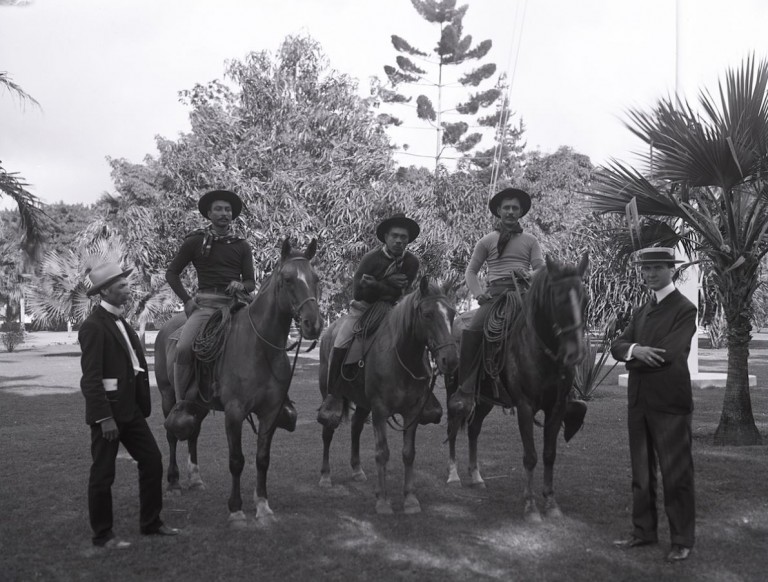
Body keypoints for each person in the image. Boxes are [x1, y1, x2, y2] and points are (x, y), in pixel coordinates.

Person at [448, 187, 587, 439]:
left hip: (524, 294)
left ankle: (571, 391)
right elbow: (471, 271)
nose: (511, 212)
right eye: (506, 208)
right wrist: (478, 293)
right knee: (473, 330)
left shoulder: (531, 241)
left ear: (521, 212)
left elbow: (540, 268)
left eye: (515, 208)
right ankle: (466, 389)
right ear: (499, 211)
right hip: (495, 296)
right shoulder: (486, 240)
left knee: (555, 329)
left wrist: (529, 274)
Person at [79, 262, 180, 549]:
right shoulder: (93, 327)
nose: (128, 289)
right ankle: (103, 535)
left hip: (132, 411)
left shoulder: (122, 322)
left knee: (151, 461)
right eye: (121, 285)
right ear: (105, 291)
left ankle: (150, 523)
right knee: (103, 474)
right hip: (108, 415)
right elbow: (91, 379)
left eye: (127, 284)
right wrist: (104, 418)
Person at [610, 247, 696, 562]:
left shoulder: (685, 309)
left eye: (656, 268)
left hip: (670, 403)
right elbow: (617, 345)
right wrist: (634, 349)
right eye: (645, 269)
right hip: (639, 403)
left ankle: (682, 539)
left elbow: (668, 354)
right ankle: (643, 532)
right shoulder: (641, 310)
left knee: (677, 474)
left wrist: (635, 356)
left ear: (671, 270)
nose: (649, 274)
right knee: (641, 473)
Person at [317, 213, 431, 428]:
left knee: (418, 338)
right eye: (395, 236)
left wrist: (376, 284)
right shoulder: (371, 258)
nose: (399, 241)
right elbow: (358, 292)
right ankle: (334, 395)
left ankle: (424, 394)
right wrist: (385, 283)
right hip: (363, 309)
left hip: (393, 310)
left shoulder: (411, 262)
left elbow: (401, 291)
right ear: (386, 237)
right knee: (341, 341)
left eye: (404, 237)